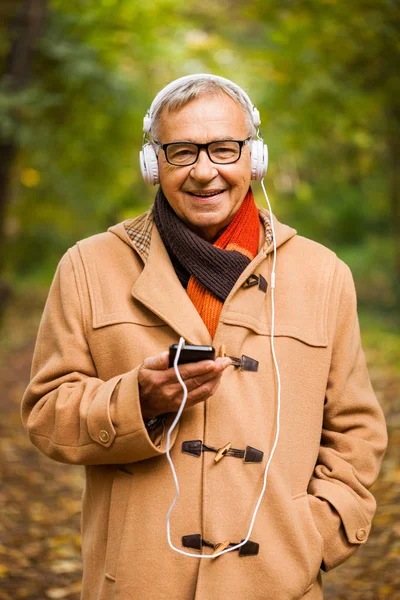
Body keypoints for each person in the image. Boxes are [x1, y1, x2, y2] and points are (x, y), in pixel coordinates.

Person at [21, 74, 387, 600]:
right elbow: (46, 411)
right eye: (182, 152)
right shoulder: (88, 266)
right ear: (153, 164)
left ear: (253, 158)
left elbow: (356, 431)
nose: (204, 171)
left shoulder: (322, 275)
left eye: (223, 149)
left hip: (279, 582)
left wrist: (312, 537)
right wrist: (136, 400)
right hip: (138, 582)